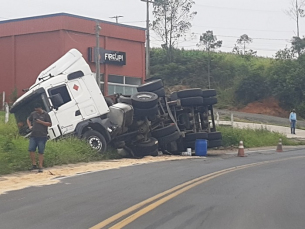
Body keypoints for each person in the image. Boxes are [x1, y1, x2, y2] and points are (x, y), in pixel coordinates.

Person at [27, 103, 52, 172]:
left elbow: (50, 124)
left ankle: (40, 166)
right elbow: (28, 119)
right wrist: (30, 126)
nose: (37, 112)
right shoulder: (33, 114)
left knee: (41, 151)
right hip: (34, 135)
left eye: (38, 110)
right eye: (36, 110)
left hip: (42, 136)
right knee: (31, 149)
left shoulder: (46, 115)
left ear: (40, 108)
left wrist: (41, 122)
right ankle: (34, 165)